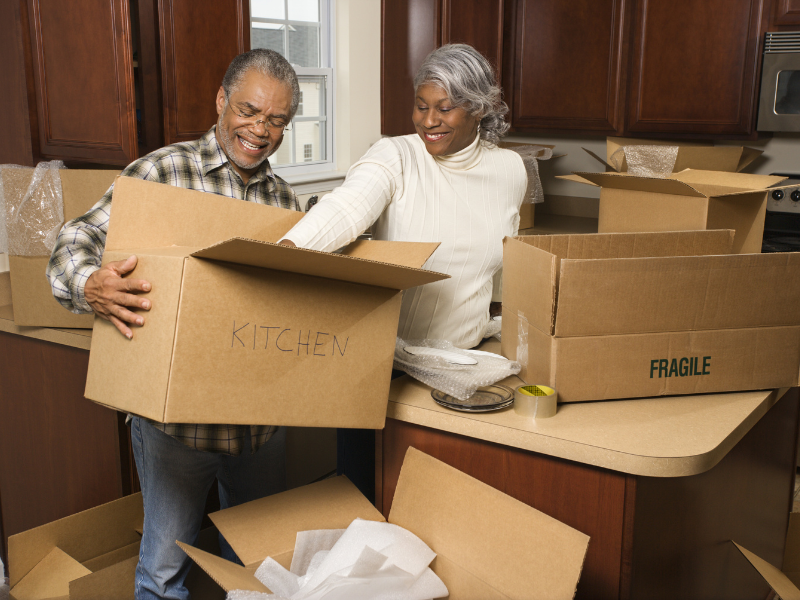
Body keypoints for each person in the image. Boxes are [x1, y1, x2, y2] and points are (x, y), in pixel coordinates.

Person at [46, 49, 301, 600]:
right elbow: (75, 238)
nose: (260, 130)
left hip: (260, 425)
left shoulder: (283, 199)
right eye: (249, 110)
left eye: (277, 119)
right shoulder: (162, 171)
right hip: (176, 429)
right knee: (164, 576)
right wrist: (90, 283)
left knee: (259, 572)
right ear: (221, 102)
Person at [280, 44, 527, 497]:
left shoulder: (510, 169)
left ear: (478, 109)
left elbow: (502, 262)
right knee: (365, 501)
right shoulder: (396, 155)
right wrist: (282, 254)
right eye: (420, 105)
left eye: (445, 108)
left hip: (461, 368)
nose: (428, 120)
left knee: (439, 506)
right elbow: (344, 210)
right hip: (383, 368)